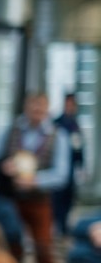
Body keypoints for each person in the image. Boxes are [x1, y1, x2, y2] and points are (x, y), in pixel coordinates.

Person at [0, 93, 70, 263]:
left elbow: (61, 175)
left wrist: (36, 181)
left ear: (47, 109)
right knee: (12, 243)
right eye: (33, 107)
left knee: (43, 245)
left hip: (39, 200)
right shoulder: (10, 130)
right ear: (26, 107)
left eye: (41, 108)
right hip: (11, 199)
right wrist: (4, 166)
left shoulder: (57, 135)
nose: (37, 112)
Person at [52, 93, 85, 237]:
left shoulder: (75, 125)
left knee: (68, 199)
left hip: (71, 169)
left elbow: (79, 148)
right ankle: (56, 227)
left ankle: (64, 229)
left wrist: (81, 166)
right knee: (56, 200)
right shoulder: (56, 123)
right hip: (57, 169)